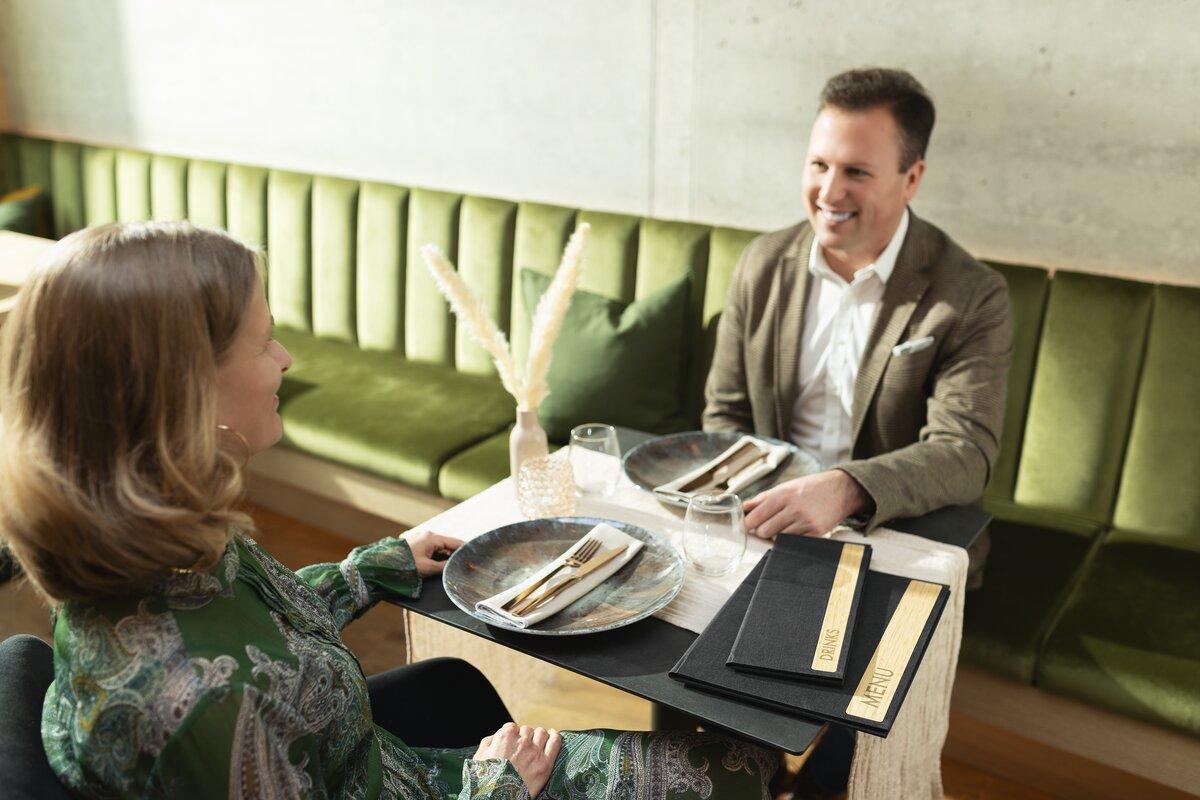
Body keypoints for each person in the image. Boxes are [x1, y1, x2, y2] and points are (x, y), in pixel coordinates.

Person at [0, 221, 776, 799]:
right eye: (263, 343)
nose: (285, 360)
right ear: (182, 397)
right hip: (455, 788)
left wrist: (373, 567)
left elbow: (269, 641)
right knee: (739, 769)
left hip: (396, 767)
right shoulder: (201, 704)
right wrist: (499, 785)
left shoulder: (160, 550)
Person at [704, 67, 1012, 542]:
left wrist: (846, 489)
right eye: (819, 165)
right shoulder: (760, 264)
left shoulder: (973, 296)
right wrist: (760, 513)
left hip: (900, 536)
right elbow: (725, 416)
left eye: (856, 172)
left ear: (911, 179)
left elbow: (965, 453)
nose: (829, 193)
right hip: (766, 527)